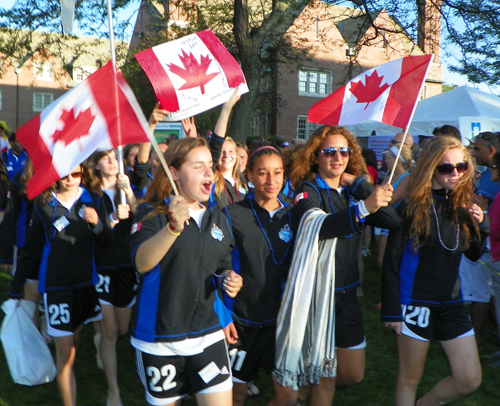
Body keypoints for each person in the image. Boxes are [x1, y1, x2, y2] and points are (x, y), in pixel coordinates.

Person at [275, 125, 399, 405]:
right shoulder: (307, 189)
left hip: (348, 296)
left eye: (344, 151)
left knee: (353, 374)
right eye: (329, 151)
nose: (337, 157)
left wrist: (359, 184)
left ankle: (306, 387)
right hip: (317, 297)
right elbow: (318, 225)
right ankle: (307, 388)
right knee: (326, 377)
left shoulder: (351, 192)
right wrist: (365, 207)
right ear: (316, 156)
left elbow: (391, 220)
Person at [129, 137, 243, 406]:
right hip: (159, 339)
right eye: (198, 166)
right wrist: (172, 228)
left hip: (208, 334)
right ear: (175, 173)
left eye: (210, 165)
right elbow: (140, 262)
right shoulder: (151, 212)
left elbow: (222, 262)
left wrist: (230, 278)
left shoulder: (218, 216)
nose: (208, 172)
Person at [382, 136, 488, 406]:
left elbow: (473, 253)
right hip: (415, 301)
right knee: (410, 377)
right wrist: (392, 310)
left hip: (451, 302)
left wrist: (480, 224)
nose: (455, 174)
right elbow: (391, 261)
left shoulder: (462, 203)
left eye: (461, 167)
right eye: (446, 168)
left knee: (469, 379)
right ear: (431, 167)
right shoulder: (412, 207)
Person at [9, 163, 112, 406]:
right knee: (65, 353)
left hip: (85, 284)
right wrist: (16, 289)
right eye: (64, 174)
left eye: (76, 173)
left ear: (83, 174)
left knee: (74, 346)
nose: (70, 178)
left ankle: (64, 386)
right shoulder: (44, 204)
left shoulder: (95, 200)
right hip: (56, 288)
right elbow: (31, 252)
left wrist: (98, 224)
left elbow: (108, 240)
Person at [224, 144, 298, 406]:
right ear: (250, 176)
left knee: (288, 397)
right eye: (263, 173)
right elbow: (217, 263)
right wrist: (223, 316)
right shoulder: (233, 214)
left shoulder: (293, 214)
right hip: (242, 322)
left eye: (277, 173)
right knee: (237, 394)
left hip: (280, 323)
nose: (271, 180)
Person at [88, 149, 139, 406]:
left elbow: (142, 217)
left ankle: (100, 340)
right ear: (96, 164)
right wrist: (110, 218)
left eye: (115, 157)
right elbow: (90, 230)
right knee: (110, 332)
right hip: (102, 268)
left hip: (126, 267)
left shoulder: (126, 187)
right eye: (106, 157)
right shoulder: (90, 194)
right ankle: (114, 392)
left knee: (121, 330)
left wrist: (128, 191)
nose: (112, 161)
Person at [459, 131, 500, 346]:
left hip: (485, 245)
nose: (473, 153)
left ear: (491, 150)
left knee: (480, 294)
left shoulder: (493, 181)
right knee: (488, 292)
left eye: (477, 148)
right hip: (485, 244)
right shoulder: (487, 174)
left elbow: (477, 204)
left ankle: (473, 341)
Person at [375, 146, 412, 269]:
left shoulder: (406, 178)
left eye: (389, 158)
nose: (386, 161)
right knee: (381, 260)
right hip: (381, 220)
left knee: (384, 261)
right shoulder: (389, 175)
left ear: (398, 160)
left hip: (392, 223)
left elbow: (392, 200)